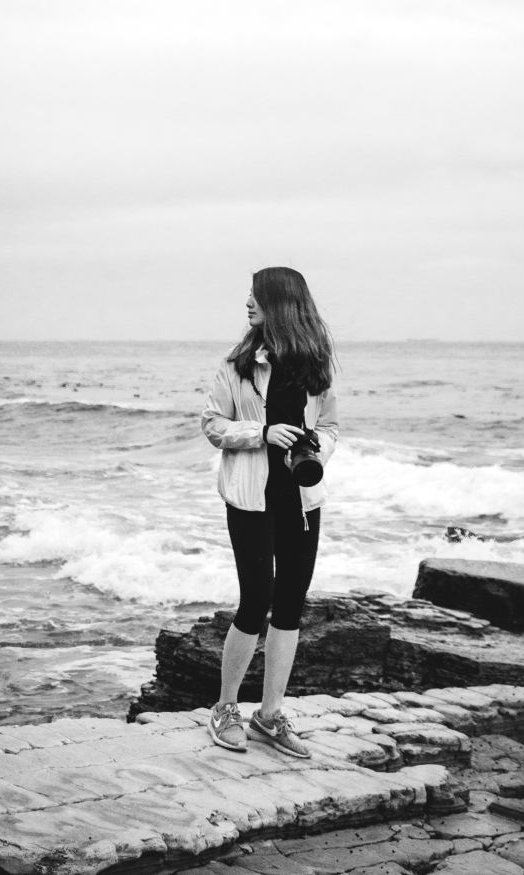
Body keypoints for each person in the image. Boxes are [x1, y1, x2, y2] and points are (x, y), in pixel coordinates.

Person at [201, 266, 338, 758]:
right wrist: (261, 433)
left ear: (279, 303)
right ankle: (224, 708)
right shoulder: (238, 365)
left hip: (301, 499)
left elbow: (333, 425)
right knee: (255, 599)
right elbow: (212, 424)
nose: (248, 305)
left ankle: (270, 715)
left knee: (290, 603)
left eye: (255, 296)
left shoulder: (316, 366)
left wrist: (316, 446)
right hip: (250, 497)